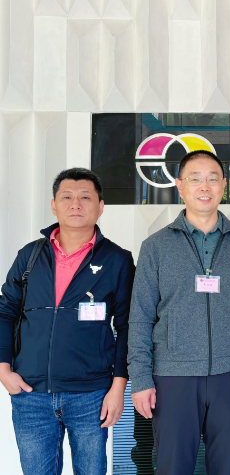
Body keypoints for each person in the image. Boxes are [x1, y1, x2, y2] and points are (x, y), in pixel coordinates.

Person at [128, 149, 230, 475]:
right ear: (180, 185)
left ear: (224, 185)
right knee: (173, 468)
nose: (205, 187)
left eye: (212, 179)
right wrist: (141, 379)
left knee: (229, 468)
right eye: (195, 179)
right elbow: (140, 317)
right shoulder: (155, 247)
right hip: (173, 377)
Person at [0, 168, 135, 475]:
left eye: (85, 197)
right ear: (54, 205)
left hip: (91, 394)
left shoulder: (117, 260)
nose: (76, 204)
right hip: (31, 393)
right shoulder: (30, 256)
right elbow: (6, 312)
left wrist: (118, 387)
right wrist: (3, 369)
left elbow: (128, 325)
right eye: (67, 197)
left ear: (100, 206)